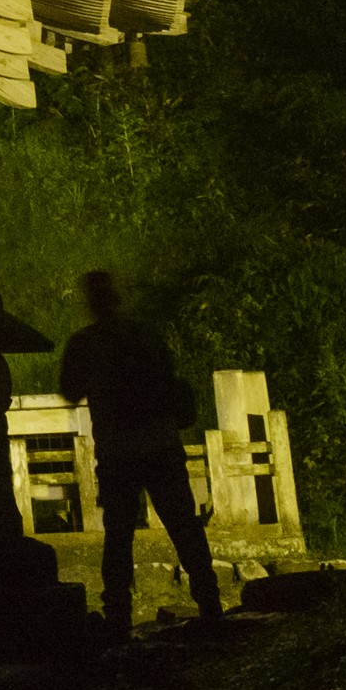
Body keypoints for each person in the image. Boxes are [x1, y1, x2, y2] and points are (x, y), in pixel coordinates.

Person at [57, 270, 226, 634]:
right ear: (117, 297)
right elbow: (171, 379)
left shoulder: (86, 342)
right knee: (184, 526)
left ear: (91, 302)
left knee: (118, 534)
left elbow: (69, 390)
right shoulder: (146, 335)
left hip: (118, 450)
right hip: (161, 442)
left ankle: (118, 614)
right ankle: (210, 602)